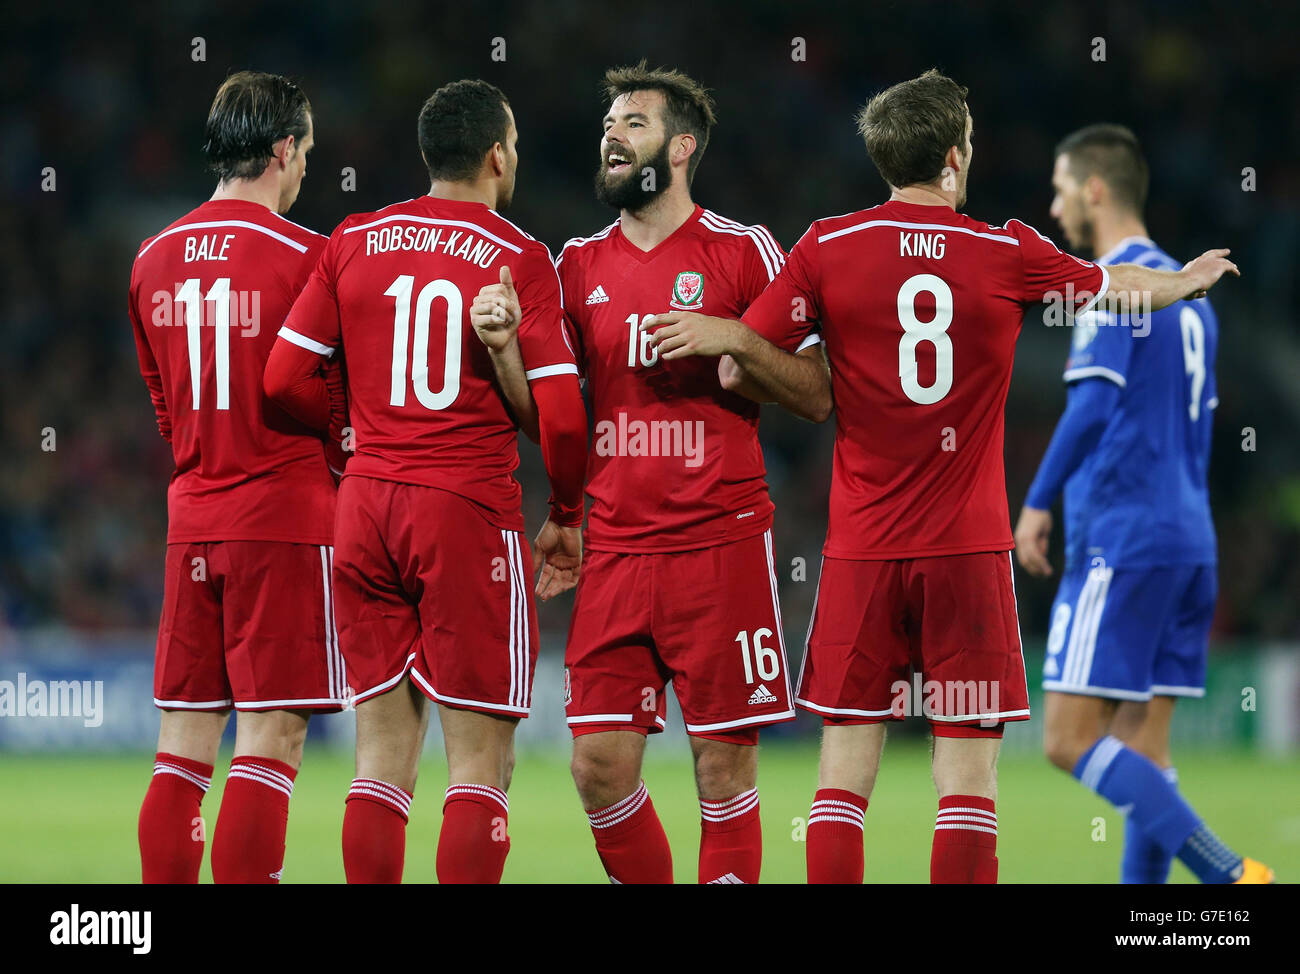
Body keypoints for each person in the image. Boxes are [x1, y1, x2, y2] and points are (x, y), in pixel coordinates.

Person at [642, 69, 1239, 884]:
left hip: (862, 551)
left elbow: (744, 370)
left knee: (842, 775)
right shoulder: (1008, 250)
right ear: (955, 157)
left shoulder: (825, 245)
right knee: (966, 783)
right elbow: (1116, 290)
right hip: (967, 552)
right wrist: (1183, 282)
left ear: (885, 158)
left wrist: (752, 349)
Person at [265, 79, 587, 883]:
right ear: (497, 155)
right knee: (481, 768)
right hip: (464, 512)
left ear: (425, 155)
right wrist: (570, 511)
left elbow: (279, 378)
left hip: (365, 510)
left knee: (380, 761)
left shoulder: (351, 238)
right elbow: (568, 425)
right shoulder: (518, 257)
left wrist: (350, 436)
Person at [511, 61, 826, 884]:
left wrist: (735, 339)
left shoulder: (743, 251)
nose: (611, 135)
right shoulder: (573, 265)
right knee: (598, 771)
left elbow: (818, 393)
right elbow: (548, 412)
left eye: (634, 124)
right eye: (608, 124)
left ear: (681, 146)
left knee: (724, 776)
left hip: (719, 545)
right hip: (615, 549)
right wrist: (505, 348)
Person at [1013, 123, 1273, 884]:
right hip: (1190, 539)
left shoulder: (1114, 284)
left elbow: (1092, 408)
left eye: (1062, 191)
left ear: (1095, 188)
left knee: (1064, 740)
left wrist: (1036, 503)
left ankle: (1229, 876)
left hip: (1122, 540)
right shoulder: (1195, 298)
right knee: (1144, 754)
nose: (1056, 209)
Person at [130, 70, 348, 884]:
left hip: (193, 518)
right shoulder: (313, 256)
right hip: (285, 519)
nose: (305, 174)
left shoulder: (150, 259)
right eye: (306, 155)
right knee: (271, 737)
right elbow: (337, 399)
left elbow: (166, 410)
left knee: (183, 742)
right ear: (283, 147)